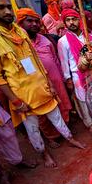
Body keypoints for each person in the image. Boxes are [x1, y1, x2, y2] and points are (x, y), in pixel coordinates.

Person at [0, 0, 85, 168]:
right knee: (33, 129)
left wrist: (49, 83)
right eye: (0, 7)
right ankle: (44, 154)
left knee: (57, 117)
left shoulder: (19, 32)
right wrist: (15, 101)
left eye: (8, 7)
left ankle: (70, 139)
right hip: (22, 96)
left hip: (42, 87)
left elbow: (36, 61)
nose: (6, 11)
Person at [17, 8, 73, 148]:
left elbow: (55, 59)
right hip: (37, 85)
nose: (34, 24)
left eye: (37, 21)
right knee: (42, 113)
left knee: (61, 104)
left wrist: (63, 78)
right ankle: (51, 137)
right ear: (20, 23)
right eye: (29, 21)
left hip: (56, 80)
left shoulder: (45, 39)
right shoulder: (19, 44)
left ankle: (64, 131)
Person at [58, 9, 92, 131]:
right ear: (65, 23)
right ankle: (90, 125)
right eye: (68, 20)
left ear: (79, 20)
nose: (71, 22)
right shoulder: (62, 41)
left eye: (74, 19)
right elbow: (64, 62)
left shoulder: (89, 37)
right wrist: (68, 79)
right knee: (83, 101)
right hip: (77, 76)